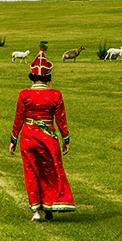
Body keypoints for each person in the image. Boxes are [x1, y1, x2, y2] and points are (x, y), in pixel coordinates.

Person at [9, 48, 75, 221]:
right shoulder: (56, 95)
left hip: (29, 136)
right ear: (48, 77)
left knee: (32, 171)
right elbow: (61, 119)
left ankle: (36, 211)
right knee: (49, 170)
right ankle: (49, 206)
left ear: (32, 76)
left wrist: (13, 140)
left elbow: (19, 119)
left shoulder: (25, 94)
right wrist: (66, 140)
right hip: (49, 137)